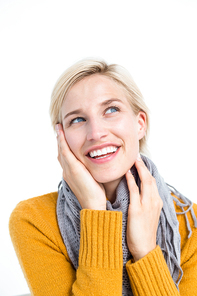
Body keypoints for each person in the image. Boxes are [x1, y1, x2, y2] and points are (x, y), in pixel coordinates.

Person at [9, 58, 197, 296]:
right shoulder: (34, 220)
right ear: (62, 137)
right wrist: (96, 213)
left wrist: (145, 250)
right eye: (77, 119)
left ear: (140, 124)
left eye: (111, 110)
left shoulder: (190, 224)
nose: (96, 133)